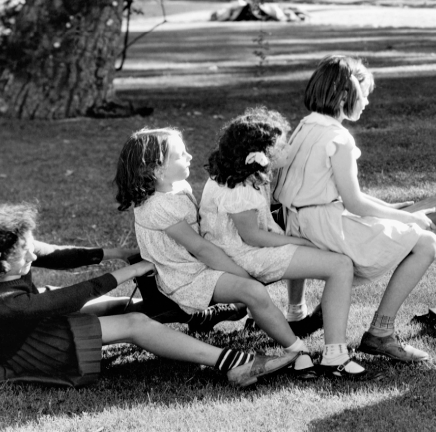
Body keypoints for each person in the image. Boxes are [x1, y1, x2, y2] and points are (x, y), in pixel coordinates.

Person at [0, 204, 294, 388]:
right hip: (29, 348)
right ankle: (234, 364)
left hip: (31, 319)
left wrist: (118, 252)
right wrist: (129, 271)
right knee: (134, 323)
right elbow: (66, 300)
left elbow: (56, 254)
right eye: (24, 255)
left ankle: (199, 317)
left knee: (117, 308)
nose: (33, 257)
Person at [274, 55, 436, 362]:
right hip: (324, 226)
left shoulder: (305, 126)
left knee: (403, 232)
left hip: (298, 222)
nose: (365, 102)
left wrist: (387, 207)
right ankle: (380, 333)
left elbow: (337, 195)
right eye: (363, 95)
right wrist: (407, 217)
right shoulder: (339, 139)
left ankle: (300, 312)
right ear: (343, 97)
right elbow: (354, 202)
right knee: (426, 243)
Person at [114, 127, 314, 374]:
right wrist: (243, 276)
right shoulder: (157, 206)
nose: (189, 156)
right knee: (253, 290)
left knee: (251, 277)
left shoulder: (178, 187)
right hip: (183, 277)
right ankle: (297, 349)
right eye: (180, 154)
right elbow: (200, 249)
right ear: (157, 170)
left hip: (194, 265)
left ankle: (244, 314)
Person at [200, 108, 373, 380]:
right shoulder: (238, 187)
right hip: (239, 257)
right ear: (259, 154)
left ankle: (297, 315)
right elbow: (253, 237)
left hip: (248, 247)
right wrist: (297, 240)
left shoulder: (249, 173)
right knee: (340, 265)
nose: (288, 148)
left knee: (326, 251)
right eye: (281, 145)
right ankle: (336, 356)